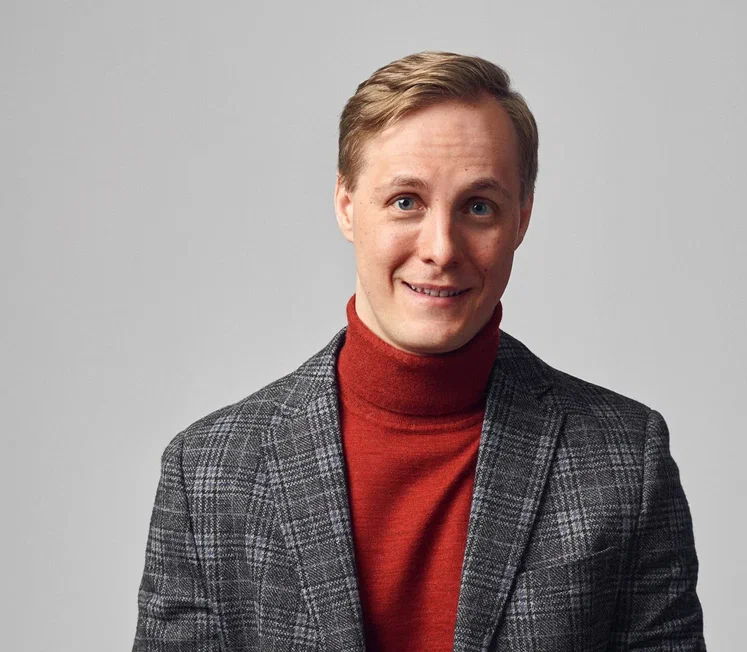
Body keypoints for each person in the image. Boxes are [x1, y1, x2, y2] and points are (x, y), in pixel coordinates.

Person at [133, 51, 706, 652]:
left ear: (522, 219)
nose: (441, 248)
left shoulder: (625, 460)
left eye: (478, 207)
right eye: (406, 201)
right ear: (346, 204)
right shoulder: (209, 473)